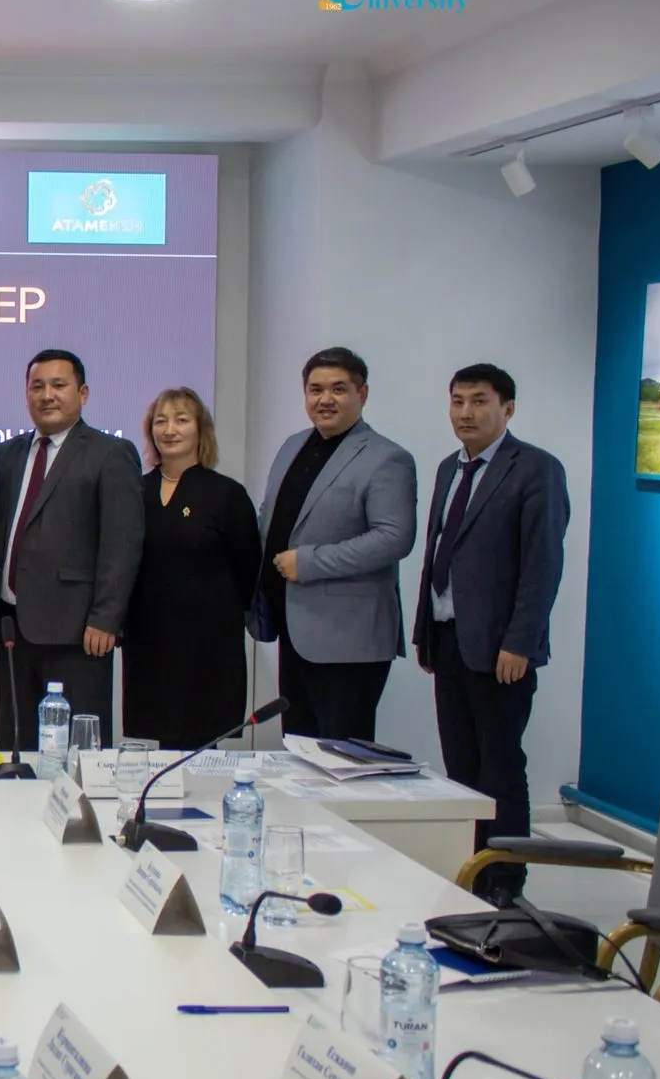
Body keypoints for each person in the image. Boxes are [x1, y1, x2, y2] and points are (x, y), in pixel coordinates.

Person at [412, 365, 569, 907]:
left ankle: (504, 880)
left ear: (508, 408)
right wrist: (425, 631)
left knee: (499, 765)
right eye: (457, 401)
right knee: (460, 765)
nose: (466, 413)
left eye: (479, 401)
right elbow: (439, 552)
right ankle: (471, 867)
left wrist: (520, 641)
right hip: (448, 637)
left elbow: (542, 565)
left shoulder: (536, 469)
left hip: (501, 647)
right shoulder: (448, 468)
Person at [0, 350, 145, 750]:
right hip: (12, 627)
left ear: (82, 393)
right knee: (15, 746)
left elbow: (122, 543)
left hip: (79, 631)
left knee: (76, 753)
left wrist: (106, 618)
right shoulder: (7, 455)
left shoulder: (110, 453)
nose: (47, 395)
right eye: (37, 386)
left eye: (58, 385)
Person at [253, 347, 418, 740]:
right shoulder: (293, 445)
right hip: (294, 629)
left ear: (362, 393)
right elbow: (271, 519)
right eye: (316, 389)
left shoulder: (387, 458)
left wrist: (309, 562)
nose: (325, 399)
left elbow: (394, 537)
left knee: (342, 757)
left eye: (338, 389)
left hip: (349, 639)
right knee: (300, 751)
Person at [121, 388, 261, 746]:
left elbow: (249, 571)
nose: (170, 430)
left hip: (208, 648)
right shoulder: (134, 491)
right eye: (161, 421)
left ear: (201, 429)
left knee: (202, 747)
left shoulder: (227, 495)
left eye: (181, 420)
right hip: (147, 646)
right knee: (148, 745)